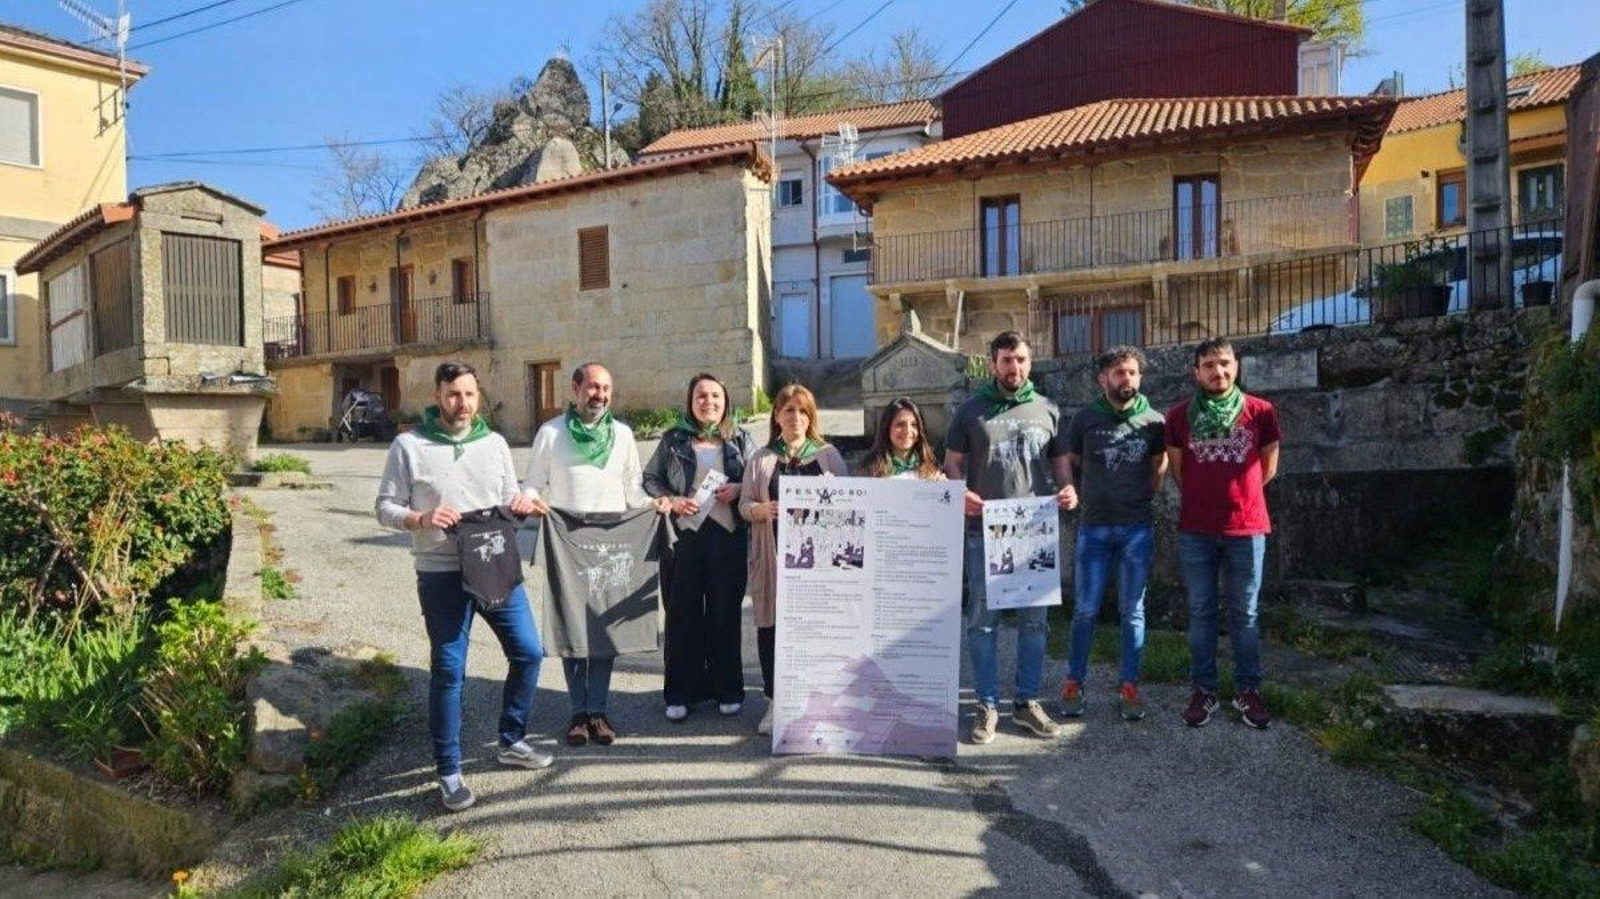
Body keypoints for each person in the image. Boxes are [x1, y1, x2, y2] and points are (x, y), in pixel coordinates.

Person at [375, 361, 549, 813]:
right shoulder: (408, 446)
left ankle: (511, 739)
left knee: (529, 651)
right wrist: (419, 518)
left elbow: (511, 496)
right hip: (441, 573)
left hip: (494, 564)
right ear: (438, 396)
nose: (463, 404)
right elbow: (384, 507)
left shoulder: (493, 443)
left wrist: (524, 504)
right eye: (454, 394)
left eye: (470, 395)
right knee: (450, 671)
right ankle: (449, 771)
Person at [521, 362, 670, 747]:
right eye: (592, 387)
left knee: (604, 631)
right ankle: (577, 712)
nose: (599, 395)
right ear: (574, 389)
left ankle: (598, 711)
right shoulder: (551, 434)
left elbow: (633, 490)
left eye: (605, 388)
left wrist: (657, 505)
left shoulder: (621, 435)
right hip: (568, 544)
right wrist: (533, 501)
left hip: (612, 543)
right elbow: (534, 484)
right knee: (572, 626)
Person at [945, 331, 1076, 745]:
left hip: (1035, 531)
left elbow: (1060, 462)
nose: (1013, 368)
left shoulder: (1048, 409)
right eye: (1006, 360)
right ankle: (986, 705)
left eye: (1020, 360)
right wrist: (959, 492)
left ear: (1029, 362)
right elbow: (952, 464)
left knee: (1034, 624)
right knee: (983, 623)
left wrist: (1068, 488)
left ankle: (1026, 703)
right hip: (984, 531)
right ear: (993, 363)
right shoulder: (970, 412)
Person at [1165, 337, 1281, 730]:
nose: (1219, 371)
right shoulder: (1179, 417)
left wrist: (1238, 501)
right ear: (1196, 371)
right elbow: (1179, 472)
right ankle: (1204, 689)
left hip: (1246, 529)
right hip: (1196, 530)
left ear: (1237, 366)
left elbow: (1268, 469)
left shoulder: (1260, 412)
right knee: (1200, 612)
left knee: (1244, 614)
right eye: (1210, 364)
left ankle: (1248, 691)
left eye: (1226, 363)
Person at [1057, 346, 1167, 723]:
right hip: (1094, 528)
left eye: (1133, 373)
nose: (1127, 379)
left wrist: (1138, 498)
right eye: (1119, 373)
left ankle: (1129, 685)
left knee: (1132, 611)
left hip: (1137, 528)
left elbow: (1159, 467)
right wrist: (1071, 489)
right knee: (1085, 610)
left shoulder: (1154, 421)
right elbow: (1068, 463)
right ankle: (1074, 681)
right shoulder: (1085, 419)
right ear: (1103, 378)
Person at [642, 373, 758, 723]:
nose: (709, 402)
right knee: (682, 614)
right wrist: (671, 499)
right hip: (684, 537)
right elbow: (649, 478)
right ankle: (681, 693)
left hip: (728, 538)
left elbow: (758, 478)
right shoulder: (673, 439)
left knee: (725, 613)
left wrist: (739, 488)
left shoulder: (740, 438)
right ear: (691, 402)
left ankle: (728, 689)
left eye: (715, 397)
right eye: (701, 396)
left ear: (725, 402)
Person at [739, 384, 848, 735]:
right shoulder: (762, 458)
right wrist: (760, 509)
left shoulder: (828, 456)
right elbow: (742, 505)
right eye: (789, 411)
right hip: (772, 557)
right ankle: (775, 701)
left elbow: (851, 504)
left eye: (803, 412)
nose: (796, 418)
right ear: (776, 416)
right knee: (771, 630)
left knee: (815, 630)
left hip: (817, 563)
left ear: (811, 417)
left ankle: (815, 700)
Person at [860, 397, 945, 480]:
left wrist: (941, 484)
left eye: (914, 425)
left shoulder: (931, 465)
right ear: (887, 428)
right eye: (900, 424)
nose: (908, 430)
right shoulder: (870, 468)